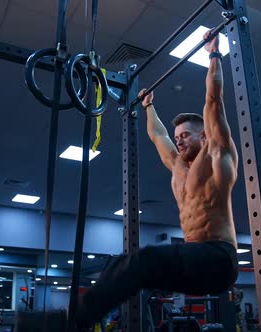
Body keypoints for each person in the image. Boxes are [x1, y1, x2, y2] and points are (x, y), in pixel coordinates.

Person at [77, 29, 239, 328]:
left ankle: (73, 323)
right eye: (177, 137)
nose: (178, 141)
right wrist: (149, 105)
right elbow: (158, 135)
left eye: (185, 136)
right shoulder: (178, 167)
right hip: (193, 261)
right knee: (118, 264)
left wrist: (214, 54)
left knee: (145, 260)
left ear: (204, 136)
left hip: (218, 259)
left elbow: (213, 101)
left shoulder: (218, 156)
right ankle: (79, 319)